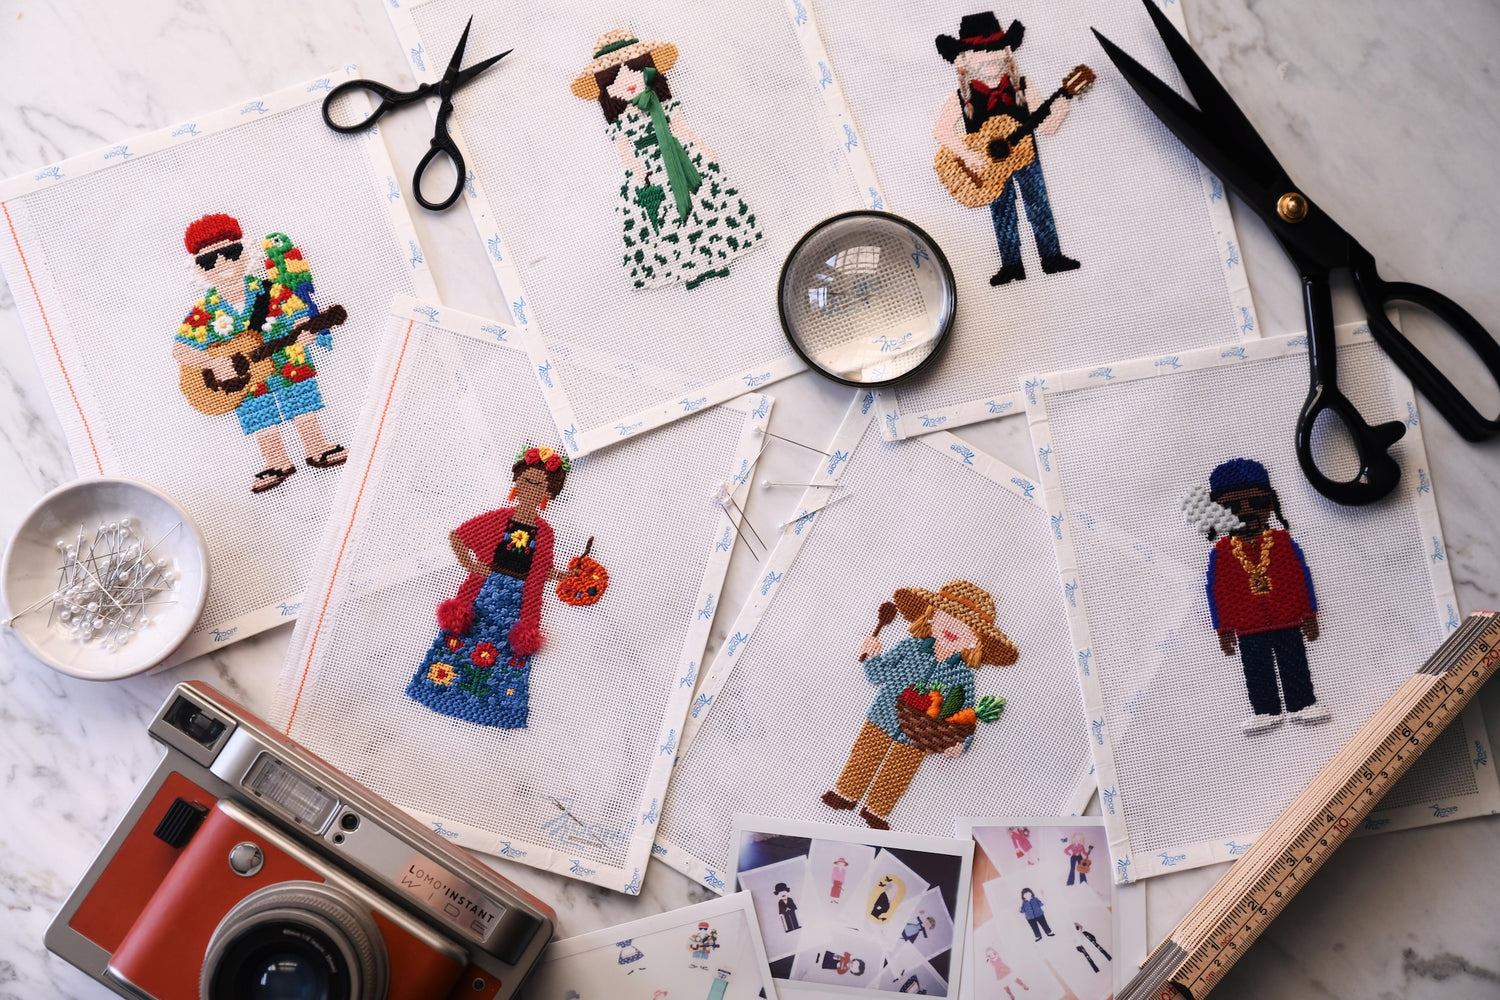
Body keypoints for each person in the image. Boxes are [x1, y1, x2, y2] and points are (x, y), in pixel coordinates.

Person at [407, 446, 586, 728]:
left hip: (517, 602)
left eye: (538, 485)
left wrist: (565, 574)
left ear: (548, 494)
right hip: (484, 592)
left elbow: (540, 571)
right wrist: (472, 565)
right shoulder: (499, 519)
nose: (530, 488)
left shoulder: (545, 532)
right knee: (461, 643)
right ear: (517, 482)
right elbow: (458, 537)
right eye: (526, 481)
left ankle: (497, 708)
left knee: (506, 654)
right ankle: (439, 691)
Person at [571, 30, 762, 291]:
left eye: (635, 71)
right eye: (616, 79)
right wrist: (639, 171)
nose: (628, 82)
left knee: (704, 208)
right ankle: (688, 270)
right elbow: (624, 151)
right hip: (650, 171)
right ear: (606, 89)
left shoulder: (663, 104)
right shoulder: (621, 120)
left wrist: (703, 147)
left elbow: (681, 129)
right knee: (666, 221)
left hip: (682, 158)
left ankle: (716, 257)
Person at [173, 213, 347, 493]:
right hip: (246, 382)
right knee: (260, 416)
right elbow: (181, 349)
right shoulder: (206, 311)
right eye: (209, 261)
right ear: (200, 270)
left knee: (302, 403)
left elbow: (300, 317)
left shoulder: (272, 291)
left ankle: (317, 447)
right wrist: (214, 363)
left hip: (288, 365)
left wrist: (306, 333)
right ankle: (276, 462)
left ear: (246, 253)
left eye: (231, 253)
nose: (222, 264)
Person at [822, 580, 1017, 828]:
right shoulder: (910, 648)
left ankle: (877, 810)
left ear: (976, 640)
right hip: (884, 715)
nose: (954, 627)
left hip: (922, 734)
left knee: (899, 770)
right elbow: (878, 674)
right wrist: (871, 655)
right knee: (865, 754)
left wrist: (961, 743)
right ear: (932, 614)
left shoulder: (962, 675)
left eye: (967, 626)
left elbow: (965, 713)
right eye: (948, 615)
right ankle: (846, 793)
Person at [933, 14, 1082, 286]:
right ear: (963, 59)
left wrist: (1064, 99)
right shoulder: (963, 97)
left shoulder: (1022, 87)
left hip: (1025, 156)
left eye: (995, 49)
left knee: (1039, 204)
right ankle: (1011, 265)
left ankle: (1051, 257)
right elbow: (941, 130)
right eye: (979, 52)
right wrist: (969, 155)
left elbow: (1047, 126)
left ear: (1007, 52)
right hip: (985, 166)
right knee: (1001, 211)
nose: (989, 57)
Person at [1199, 459, 1329, 736]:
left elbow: (1298, 577)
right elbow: (1218, 590)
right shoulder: (1222, 553)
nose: (1247, 512)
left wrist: (1309, 614)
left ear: (1270, 503)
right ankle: (1266, 710)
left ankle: (1302, 704)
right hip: (1248, 627)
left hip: (1288, 620)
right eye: (1232, 507)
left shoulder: (1281, 542)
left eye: (1257, 502)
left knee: (1294, 663)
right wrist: (1223, 629)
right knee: (1256, 669)